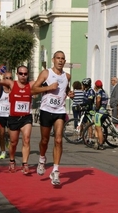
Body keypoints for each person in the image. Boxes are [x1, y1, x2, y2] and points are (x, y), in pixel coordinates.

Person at [31, 50, 73, 186]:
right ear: (53, 60)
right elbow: (33, 90)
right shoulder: (46, 73)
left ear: (64, 62)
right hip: (46, 110)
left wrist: (69, 93)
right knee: (45, 140)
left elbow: (65, 89)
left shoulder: (67, 76)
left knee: (59, 139)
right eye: (58, 58)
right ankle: (42, 159)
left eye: (62, 59)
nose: (60, 61)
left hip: (59, 111)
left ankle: (55, 170)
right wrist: (48, 88)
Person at [0, 66, 35, 174]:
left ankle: (25, 164)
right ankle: (12, 160)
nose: (23, 75)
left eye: (25, 74)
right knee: (13, 142)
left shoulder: (31, 84)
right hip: (13, 117)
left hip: (26, 117)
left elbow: (43, 81)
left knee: (27, 139)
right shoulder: (12, 84)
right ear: (17, 74)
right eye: (21, 73)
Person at [93, 80, 109, 150]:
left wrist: (97, 107)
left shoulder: (99, 92)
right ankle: (98, 142)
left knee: (99, 129)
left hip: (99, 113)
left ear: (96, 86)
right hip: (105, 111)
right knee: (97, 127)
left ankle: (101, 143)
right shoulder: (105, 92)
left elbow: (98, 100)